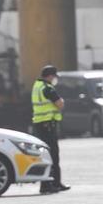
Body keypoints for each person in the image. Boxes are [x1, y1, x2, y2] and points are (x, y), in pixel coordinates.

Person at [32, 64, 70, 194]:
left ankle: (52, 183)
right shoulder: (48, 89)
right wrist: (62, 101)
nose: (55, 79)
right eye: (54, 76)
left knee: (45, 155)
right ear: (49, 76)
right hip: (47, 125)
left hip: (39, 125)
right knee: (52, 155)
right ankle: (51, 184)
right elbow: (60, 104)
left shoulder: (36, 86)